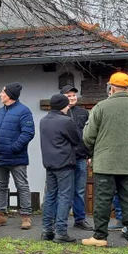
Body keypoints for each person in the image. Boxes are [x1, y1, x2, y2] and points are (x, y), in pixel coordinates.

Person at [81, 72, 128, 248]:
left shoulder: (101, 107)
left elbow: (89, 136)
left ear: (111, 87)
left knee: (103, 200)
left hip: (105, 163)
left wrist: (92, 152)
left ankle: (100, 236)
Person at [0, 82, 35, 230]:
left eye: (2, 92)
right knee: (1, 186)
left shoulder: (24, 111)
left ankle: (26, 217)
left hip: (17, 157)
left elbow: (28, 133)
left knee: (21, 185)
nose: (0, 94)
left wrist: (13, 148)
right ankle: (1, 216)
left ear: (9, 95)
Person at [39, 94, 81, 243]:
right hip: (64, 163)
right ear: (63, 105)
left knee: (50, 196)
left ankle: (46, 230)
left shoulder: (44, 120)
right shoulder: (66, 121)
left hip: (49, 163)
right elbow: (76, 139)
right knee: (64, 197)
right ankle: (61, 232)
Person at [64, 86, 92, 231]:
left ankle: (80, 219)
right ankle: (61, 220)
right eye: (69, 96)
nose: (72, 98)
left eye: (74, 95)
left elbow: (89, 134)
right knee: (64, 191)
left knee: (80, 191)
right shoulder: (60, 113)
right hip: (65, 159)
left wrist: (89, 154)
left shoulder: (83, 113)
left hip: (81, 157)